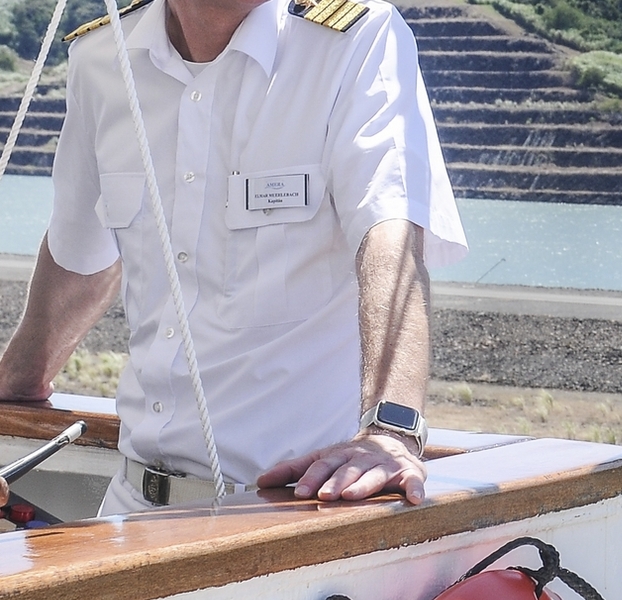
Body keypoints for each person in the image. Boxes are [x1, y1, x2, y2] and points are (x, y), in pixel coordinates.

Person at [0, 0, 466, 515]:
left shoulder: (354, 39)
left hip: (290, 510)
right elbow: (79, 250)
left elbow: (389, 238)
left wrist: (391, 429)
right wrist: (19, 376)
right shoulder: (101, 57)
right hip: (128, 508)